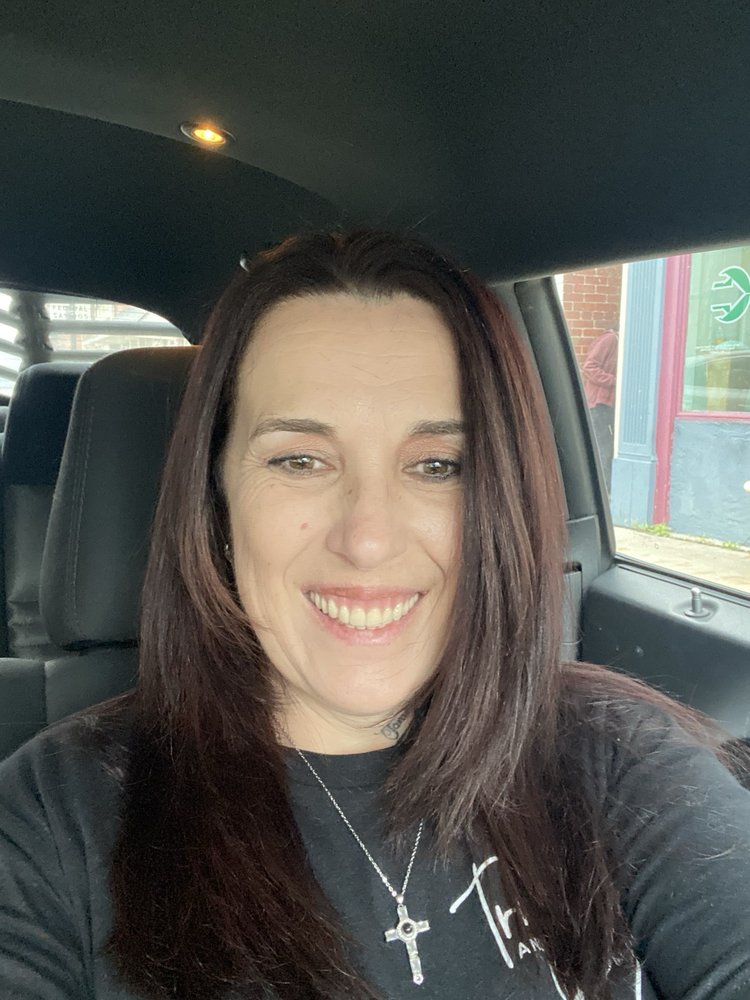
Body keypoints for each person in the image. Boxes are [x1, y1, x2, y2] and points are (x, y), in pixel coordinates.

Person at [1, 230, 749, 1000]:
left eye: (437, 466)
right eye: (300, 460)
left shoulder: (621, 762)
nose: (366, 539)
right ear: (216, 499)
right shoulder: (54, 817)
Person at [582, 325, 619, 493]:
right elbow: (589, 366)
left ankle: (605, 487)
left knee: (607, 446)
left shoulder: (615, 341)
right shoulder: (611, 339)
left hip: (607, 404)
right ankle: (603, 488)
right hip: (599, 404)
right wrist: (614, 381)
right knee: (602, 446)